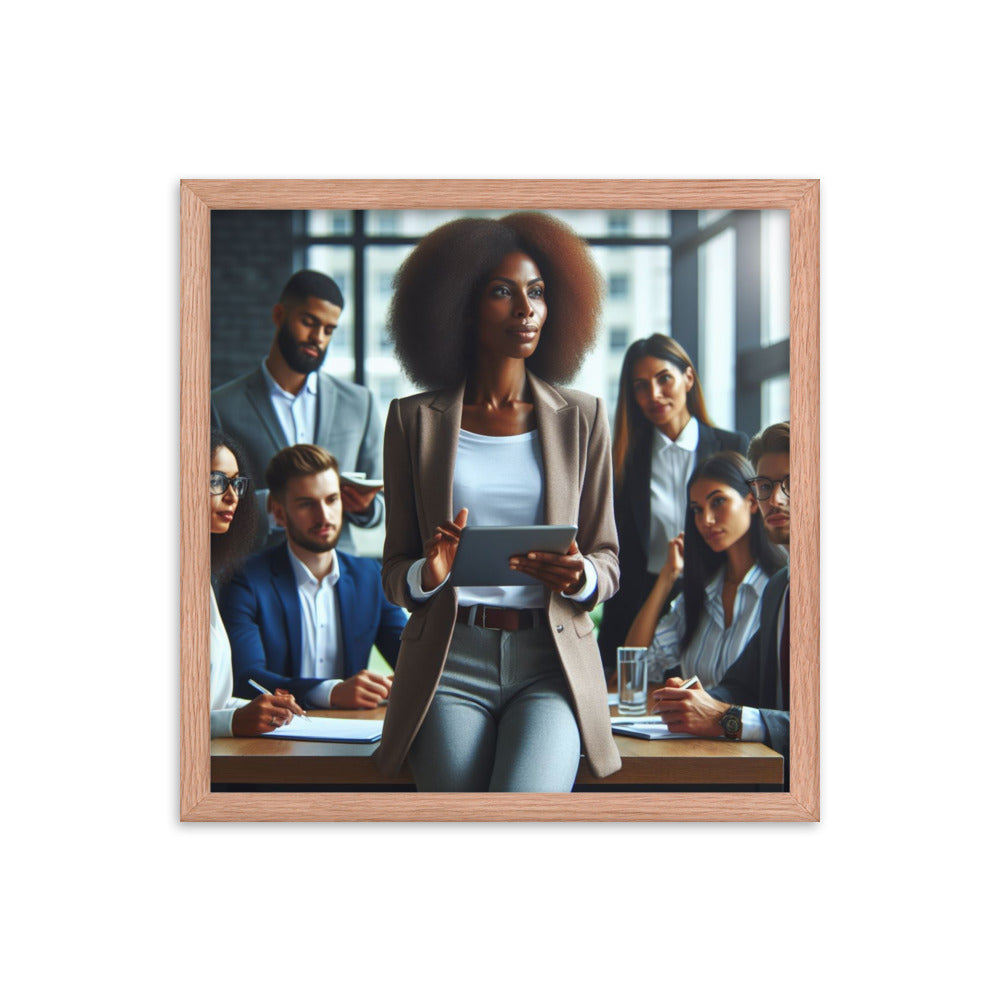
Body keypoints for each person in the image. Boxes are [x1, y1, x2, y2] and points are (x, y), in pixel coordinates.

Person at [376, 212, 621, 791]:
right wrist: (426, 573)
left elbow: (608, 559)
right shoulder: (413, 421)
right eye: (502, 292)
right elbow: (392, 571)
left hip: (550, 661)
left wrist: (580, 575)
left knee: (526, 811)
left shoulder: (583, 418)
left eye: (536, 292)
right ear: (461, 304)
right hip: (448, 660)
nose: (525, 309)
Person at [597, 335, 748, 675]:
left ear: (688, 378)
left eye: (664, 378)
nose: (654, 394)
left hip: (709, 604)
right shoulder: (622, 461)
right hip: (637, 608)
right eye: (640, 386)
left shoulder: (732, 446)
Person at [211, 269, 383, 555]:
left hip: (338, 574)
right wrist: (274, 504)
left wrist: (366, 508)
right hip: (257, 576)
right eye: (309, 322)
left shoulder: (359, 404)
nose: (318, 337)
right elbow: (206, 502)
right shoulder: (221, 405)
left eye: (328, 330)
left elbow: (382, 507)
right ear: (279, 315)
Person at [220, 444, 407, 708]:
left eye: (332, 500)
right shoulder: (244, 580)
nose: (324, 516)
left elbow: (413, 660)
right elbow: (246, 679)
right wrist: (330, 692)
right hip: (274, 736)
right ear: (279, 512)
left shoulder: (370, 577)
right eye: (307, 504)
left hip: (354, 732)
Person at [652, 422, 791, 767]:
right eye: (766, 486)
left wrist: (724, 716)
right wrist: (695, 702)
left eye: (791, 483)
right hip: (753, 772)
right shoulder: (783, 588)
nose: (776, 499)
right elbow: (740, 685)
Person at [624, 451, 787, 687]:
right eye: (697, 509)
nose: (706, 520)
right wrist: (666, 578)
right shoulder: (700, 595)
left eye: (718, 501)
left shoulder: (782, 589)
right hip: (689, 724)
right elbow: (633, 669)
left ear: (752, 501)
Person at [209, 429, 304, 738]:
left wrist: (265, 707)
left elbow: (211, 702)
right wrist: (233, 722)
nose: (232, 496)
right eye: (216, 481)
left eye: (236, 482)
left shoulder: (202, 576)